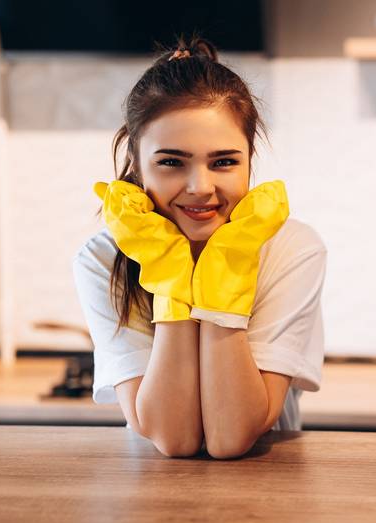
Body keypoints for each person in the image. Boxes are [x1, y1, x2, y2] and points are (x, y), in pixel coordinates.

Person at [73, 37, 327, 459]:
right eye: (172, 162)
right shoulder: (102, 258)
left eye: (224, 162)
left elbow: (232, 436)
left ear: (249, 160)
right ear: (136, 162)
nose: (200, 188)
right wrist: (170, 274)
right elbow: (172, 438)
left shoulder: (292, 249)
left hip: (269, 497)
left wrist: (227, 267)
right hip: (152, 499)